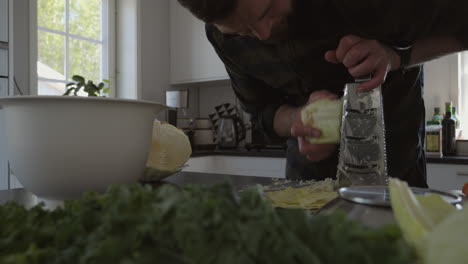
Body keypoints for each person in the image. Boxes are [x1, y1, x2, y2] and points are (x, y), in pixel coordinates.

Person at [176, 0, 468, 187]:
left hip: (397, 177)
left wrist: (397, 56)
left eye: (267, 11)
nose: (263, 34)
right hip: (305, 186)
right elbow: (262, 113)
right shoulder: (222, 39)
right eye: (243, 31)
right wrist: (299, 118)